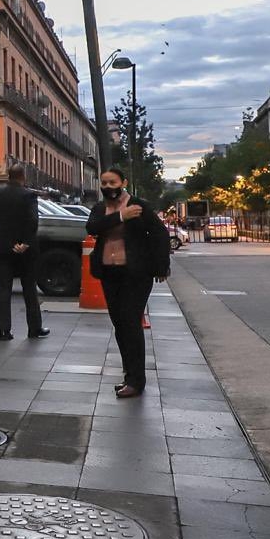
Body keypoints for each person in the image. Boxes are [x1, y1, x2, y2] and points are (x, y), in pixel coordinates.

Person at [86, 168, 170, 399]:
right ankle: (128, 373)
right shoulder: (100, 208)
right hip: (109, 272)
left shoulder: (139, 206)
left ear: (123, 182)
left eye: (112, 182)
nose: (107, 186)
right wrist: (121, 216)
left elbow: (160, 234)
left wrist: (161, 267)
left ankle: (136, 380)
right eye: (104, 182)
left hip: (136, 273)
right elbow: (93, 227)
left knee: (131, 322)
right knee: (119, 323)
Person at [0, 165, 49, 342]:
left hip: (1, 246)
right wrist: (25, 242)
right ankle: (34, 328)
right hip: (24, 249)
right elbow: (33, 220)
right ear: (23, 176)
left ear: (9, 176)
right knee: (29, 288)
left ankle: (4, 331)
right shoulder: (28, 195)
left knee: (4, 288)